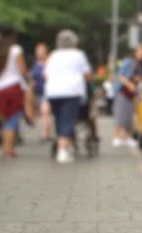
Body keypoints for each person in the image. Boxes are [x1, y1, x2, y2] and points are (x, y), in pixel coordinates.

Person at [44, 29, 92, 163]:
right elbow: (87, 74)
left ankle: (64, 147)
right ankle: (62, 151)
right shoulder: (78, 55)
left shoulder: (53, 55)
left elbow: (45, 74)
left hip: (53, 91)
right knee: (68, 120)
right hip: (72, 91)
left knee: (59, 120)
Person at [0, 24, 28, 159]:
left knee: (2, 118)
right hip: (13, 88)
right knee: (10, 121)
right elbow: (22, 70)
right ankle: (7, 150)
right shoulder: (15, 49)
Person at [112, 45, 142, 147]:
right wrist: (129, 84)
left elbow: (139, 79)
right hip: (122, 91)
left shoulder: (141, 66)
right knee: (120, 114)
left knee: (129, 116)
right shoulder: (128, 62)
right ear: (135, 52)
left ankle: (127, 137)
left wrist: (137, 81)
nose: (141, 55)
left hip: (132, 94)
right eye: (140, 52)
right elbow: (120, 76)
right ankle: (116, 137)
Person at [30, 42, 52, 142]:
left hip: (47, 91)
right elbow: (32, 78)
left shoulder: (50, 62)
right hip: (36, 92)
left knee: (44, 112)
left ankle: (44, 135)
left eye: (41, 51)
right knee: (43, 114)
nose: (39, 53)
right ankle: (47, 132)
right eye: (38, 51)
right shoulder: (35, 64)